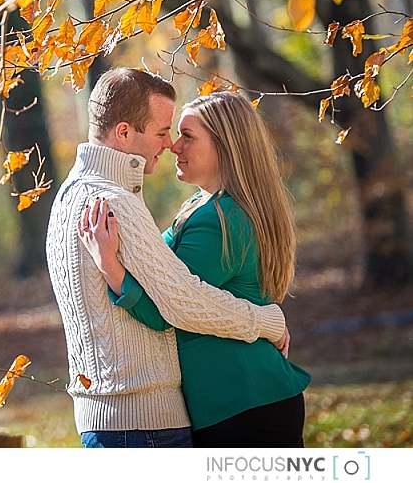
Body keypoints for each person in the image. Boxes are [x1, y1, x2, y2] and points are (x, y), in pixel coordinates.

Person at [46, 68, 288, 449]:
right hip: (142, 420)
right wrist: (266, 321)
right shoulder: (117, 202)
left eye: (180, 134)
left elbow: (170, 287)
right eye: (162, 132)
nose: (170, 143)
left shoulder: (69, 194)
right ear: (124, 133)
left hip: (114, 416)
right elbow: (181, 301)